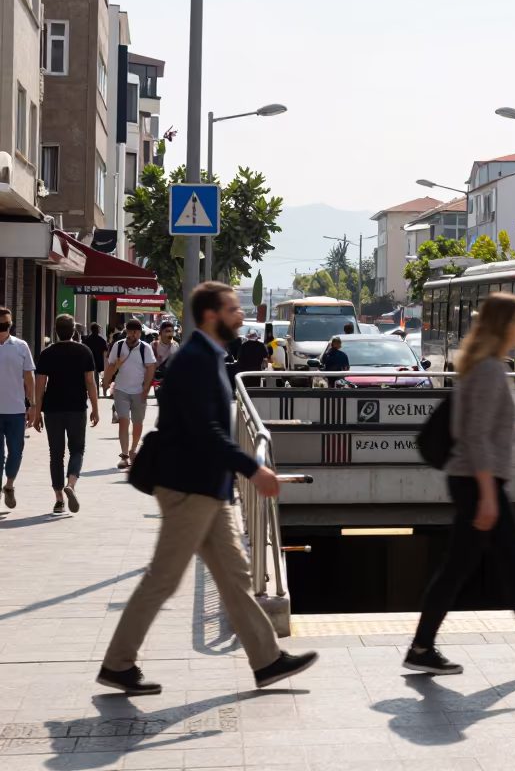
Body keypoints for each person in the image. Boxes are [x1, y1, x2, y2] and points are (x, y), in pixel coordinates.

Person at [96, 281, 318, 696]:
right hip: (188, 488)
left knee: (235, 578)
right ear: (212, 315)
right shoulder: (196, 360)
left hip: (208, 488)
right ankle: (117, 663)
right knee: (163, 579)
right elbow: (207, 431)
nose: (240, 315)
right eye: (233, 309)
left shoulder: (210, 356)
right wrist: (255, 469)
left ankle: (267, 661)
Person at [404, 292, 515, 676]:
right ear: (505, 325)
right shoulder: (487, 370)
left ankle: (426, 647)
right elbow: (475, 436)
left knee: (475, 567)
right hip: (476, 483)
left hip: (475, 482)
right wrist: (488, 496)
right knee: (497, 565)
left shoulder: (489, 368)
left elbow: (503, 429)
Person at [33, 314, 100, 515]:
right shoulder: (84, 351)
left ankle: (59, 499)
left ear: (56, 331)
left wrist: (37, 412)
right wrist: (95, 407)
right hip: (77, 408)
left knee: (56, 454)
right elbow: (90, 382)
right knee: (77, 450)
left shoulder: (47, 353)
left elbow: (40, 384)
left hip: (53, 409)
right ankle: (71, 483)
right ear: (74, 331)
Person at [103, 319, 156, 470]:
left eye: (137, 332)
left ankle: (133, 449)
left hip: (139, 391)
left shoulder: (145, 348)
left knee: (138, 423)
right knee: (124, 421)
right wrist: (106, 382)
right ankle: (124, 455)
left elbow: (150, 368)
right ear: (127, 332)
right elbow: (111, 366)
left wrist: (146, 389)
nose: (134, 335)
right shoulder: (118, 346)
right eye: (132, 331)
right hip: (121, 390)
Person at [0, 306, 36, 510]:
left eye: (7, 324)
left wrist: (31, 404)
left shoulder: (21, 347)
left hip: (15, 410)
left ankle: (9, 485)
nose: (4, 327)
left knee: (16, 452)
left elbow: (29, 375)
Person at [83, 323, 109, 397]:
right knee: (95, 377)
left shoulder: (87, 339)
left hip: (89, 361)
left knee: (89, 377)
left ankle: (90, 392)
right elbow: (105, 352)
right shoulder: (101, 340)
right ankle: (95, 392)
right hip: (97, 361)